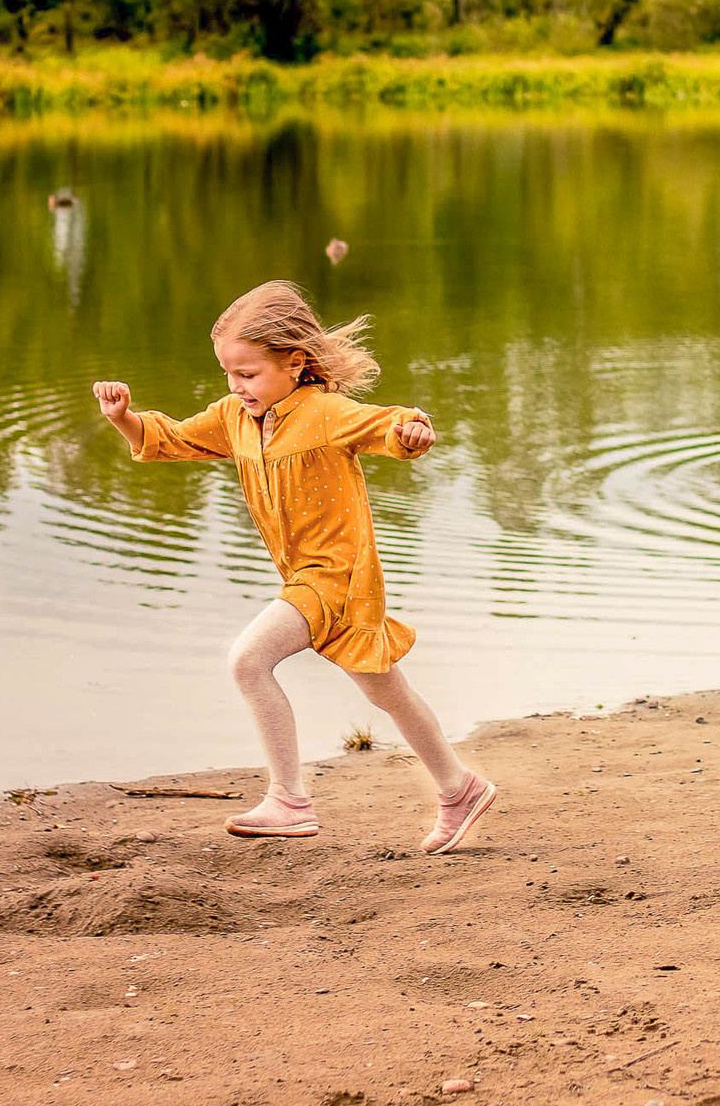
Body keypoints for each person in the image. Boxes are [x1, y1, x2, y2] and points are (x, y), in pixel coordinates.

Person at [92, 280, 499, 854]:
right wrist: (123, 418)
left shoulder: (325, 413)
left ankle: (289, 800)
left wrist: (412, 429)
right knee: (389, 694)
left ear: (295, 363)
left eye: (249, 374)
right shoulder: (234, 418)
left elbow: (387, 424)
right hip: (305, 578)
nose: (237, 387)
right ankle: (460, 789)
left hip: (336, 577)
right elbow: (173, 439)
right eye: (229, 375)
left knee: (248, 661)